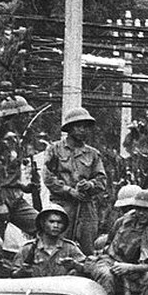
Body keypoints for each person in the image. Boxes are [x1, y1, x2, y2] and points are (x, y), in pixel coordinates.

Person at [44, 107, 108, 254]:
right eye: (79, 126)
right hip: (62, 205)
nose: (83, 130)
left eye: (86, 127)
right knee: (58, 244)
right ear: (70, 128)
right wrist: (69, 190)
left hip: (86, 206)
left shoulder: (92, 154)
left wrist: (90, 184)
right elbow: (47, 177)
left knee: (88, 248)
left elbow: (102, 180)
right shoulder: (54, 149)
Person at [0, 95, 41, 237]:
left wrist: (23, 186)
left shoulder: (15, 139)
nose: (26, 120)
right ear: (12, 118)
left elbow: (9, 172)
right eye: (23, 116)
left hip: (16, 198)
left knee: (42, 225)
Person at [14, 204, 86, 278]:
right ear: (43, 223)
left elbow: (87, 269)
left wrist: (75, 265)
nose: (56, 225)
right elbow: (13, 274)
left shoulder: (70, 248)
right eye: (51, 222)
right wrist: (22, 272)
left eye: (59, 222)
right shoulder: (28, 248)